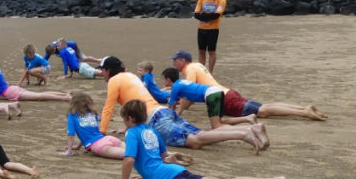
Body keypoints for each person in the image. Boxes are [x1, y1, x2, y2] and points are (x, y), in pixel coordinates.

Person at [105, 100, 288, 179]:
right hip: (175, 170)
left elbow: (129, 159)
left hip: (168, 178)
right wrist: (145, 173)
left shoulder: (132, 133)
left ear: (129, 118)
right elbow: (162, 155)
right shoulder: (151, 130)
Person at [98, 56, 267, 153]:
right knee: (200, 135)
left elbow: (108, 109)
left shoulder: (114, 81)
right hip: (163, 112)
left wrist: (101, 134)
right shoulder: (132, 77)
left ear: (108, 70)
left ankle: (244, 134)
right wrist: (127, 128)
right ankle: (249, 129)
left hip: (156, 120)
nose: (101, 73)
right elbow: (136, 103)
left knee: (196, 141)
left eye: (102, 70)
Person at [161, 67, 327, 124]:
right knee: (264, 107)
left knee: (263, 111)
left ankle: (304, 112)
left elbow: (180, 104)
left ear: (168, 79)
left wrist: (172, 113)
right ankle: (303, 109)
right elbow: (186, 100)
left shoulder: (180, 84)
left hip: (226, 100)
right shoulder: (187, 80)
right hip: (229, 92)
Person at [61, 92, 192, 164]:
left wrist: (69, 151)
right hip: (108, 139)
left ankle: (168, 160)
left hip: (98, 146)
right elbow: (89, 132)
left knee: (133, 155)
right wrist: (78, 147)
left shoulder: (73, 116)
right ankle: (169, 154)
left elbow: (72, 134)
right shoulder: (93, 114)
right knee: (139, 148)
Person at [159, 67, 256, 129]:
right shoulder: (181, 82)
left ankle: (248, 129)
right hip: (217, 91)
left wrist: (164, 118)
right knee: (220, 121)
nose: (163, 81)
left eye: (163, 79)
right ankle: (247, 118)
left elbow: (170, 106)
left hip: (211, 95)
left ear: (168, 79)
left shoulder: (176, 86)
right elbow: (176, 104)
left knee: (216, 126)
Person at [0, 53, 71, 103]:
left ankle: (65, 98)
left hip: (10, 92)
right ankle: (63, 94)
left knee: (39, 96)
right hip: (11, 89)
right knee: (39, 95)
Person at [193, 0, 226, 73]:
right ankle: (201, 72)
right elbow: (196, 14)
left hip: (213, 29)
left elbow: (216, 15)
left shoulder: (221, 0)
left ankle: (210, 72)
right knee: (201, 51)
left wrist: (204, 15)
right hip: (201, 29)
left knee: (211, 51)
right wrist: (208, 15)